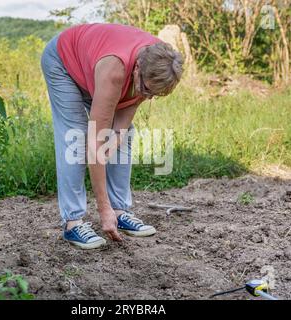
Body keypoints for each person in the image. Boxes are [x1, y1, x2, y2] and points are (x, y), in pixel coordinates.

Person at [41, 23, 184, 249]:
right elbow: (94, 142)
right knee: (76, 138)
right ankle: (73, 222)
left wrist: (114, 141)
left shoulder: (157, 63)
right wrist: (102, 208)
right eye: (146, 90)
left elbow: (120, 127)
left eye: (154, 94)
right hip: (64, 63)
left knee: (124, 136)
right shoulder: (115, 70)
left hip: (95, 65)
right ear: (137, 68)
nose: (147, 97)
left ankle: (120, 210)